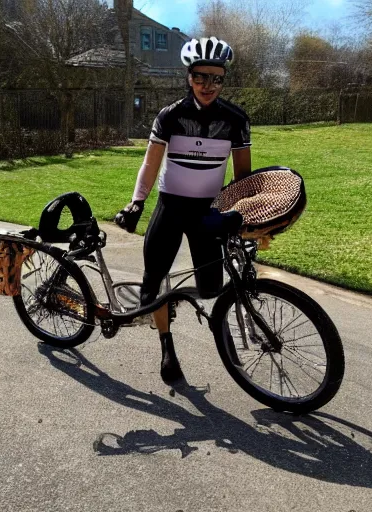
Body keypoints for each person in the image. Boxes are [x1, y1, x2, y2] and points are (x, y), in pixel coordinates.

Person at [115, 36, 252, 385]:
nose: (208, 85)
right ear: (188, 77)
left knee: (211, 287)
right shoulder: (170, 116)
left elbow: (243, 178)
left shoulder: (236, 120)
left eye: (216, 78)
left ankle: (215, 330)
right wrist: (136, 202)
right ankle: (166, 346)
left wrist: (242, 213)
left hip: (206, 211)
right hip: (170, 207)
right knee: (154, 283)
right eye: (200, 77)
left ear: (224, 80)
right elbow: (150, 163)